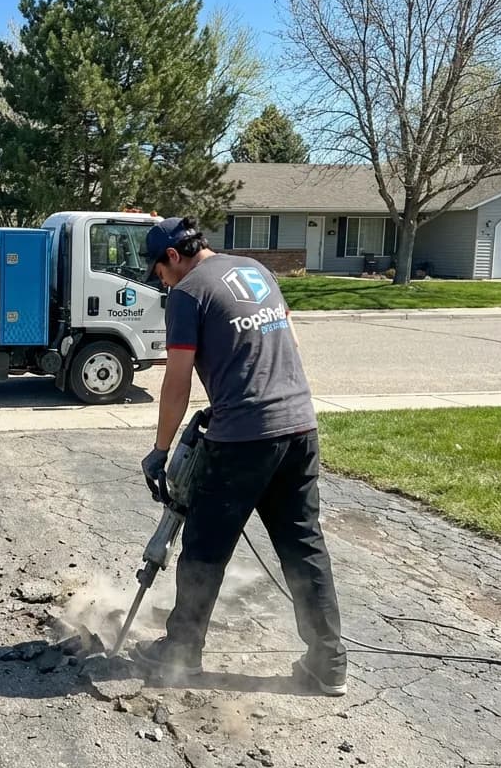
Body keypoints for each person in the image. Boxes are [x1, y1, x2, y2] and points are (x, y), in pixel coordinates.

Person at [134, 216, 347, 696]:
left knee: (205, 549)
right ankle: (328, 662)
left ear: (173, 256)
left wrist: (161, 450)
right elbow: (288, 342)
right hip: (299, 426)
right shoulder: (256, 270)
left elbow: (177, 379)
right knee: (303, 546)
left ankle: (181, 653)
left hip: (244, 439)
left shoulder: (189, 293)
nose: (160, 282)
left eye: (158, 272)